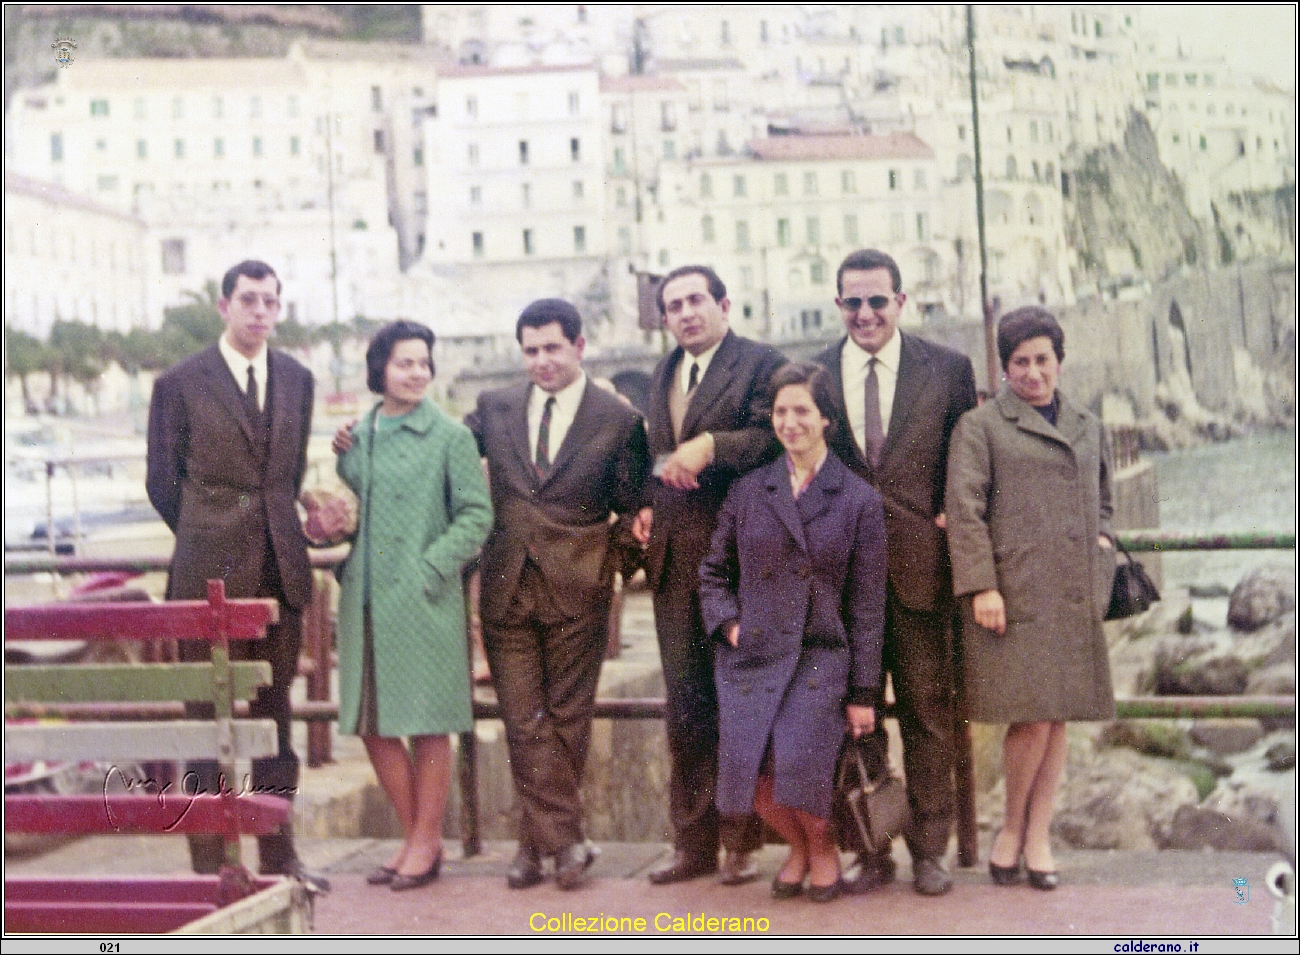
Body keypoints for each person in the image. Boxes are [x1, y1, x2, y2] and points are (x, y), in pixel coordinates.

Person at [146, 259, 323, 886]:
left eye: (270, 302)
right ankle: (211, 866)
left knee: (276, 715)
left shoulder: (298, 379)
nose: (259, 312)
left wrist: (266, 531)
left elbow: (290, 474)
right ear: (224, 306)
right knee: (206, 719)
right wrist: (211, 535)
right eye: (248, 300)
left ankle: (280, 855)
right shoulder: (180, 382)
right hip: (207, 576)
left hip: (281, 571)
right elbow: (163, 484)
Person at [466, 299, 650, 891]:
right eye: (530, 350)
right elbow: (436, 454)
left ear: (579, 346)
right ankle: (565, 842)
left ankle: (533, 847)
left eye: (552, 348)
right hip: (506, 586)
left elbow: (635, 509)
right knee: (523, 719)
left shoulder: (617, 419)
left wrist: (608, 564)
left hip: (580, 591)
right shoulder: (493, 409)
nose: (541, 361)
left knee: (568, 720)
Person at [813, 249, 977, 896]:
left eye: (877, 300)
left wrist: (952, 518)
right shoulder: (815, 376)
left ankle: (929, 849)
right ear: (838, 306)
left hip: (919, 574)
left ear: (901, 302)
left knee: (928, 715)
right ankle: (870, 847)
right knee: (850, 718)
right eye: (852, 301)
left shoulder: (949, 370)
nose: (865, 313)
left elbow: (968, 462)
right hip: (841, 578)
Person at [699, 362, 887, 903]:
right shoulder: (747, 491)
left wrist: (864, 693)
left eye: (801, 410)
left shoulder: (857, 500)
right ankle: (798, 847)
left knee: (801, 764)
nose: (789, 422)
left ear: (826, 418)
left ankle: (820, 847)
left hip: (820, 658)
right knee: (753, 778)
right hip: (753, 655)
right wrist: (731, 626)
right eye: (781, 411)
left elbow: (868, 605)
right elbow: (713, 572)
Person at [944, 306, 1116, 891]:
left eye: (1043, 360)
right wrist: (982, 585)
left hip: (1072, 589)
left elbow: (1106, 502)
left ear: (1059, 362)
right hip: (1015, 593)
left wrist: (1103, 543)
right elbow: (964, 511)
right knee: (1032, 715)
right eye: (1021, 362)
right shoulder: (982, 426)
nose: (1033, 373)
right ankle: (1012, 828)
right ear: (1004, 365)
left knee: (1058, 713)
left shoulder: (1089, 425)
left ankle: (1035, 834)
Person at [631, 265, 787, 886]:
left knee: (743, 709)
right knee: (688, 711)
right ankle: (692, 843)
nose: (687, 313)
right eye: (674, 305)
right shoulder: (665, 370)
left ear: (725, 302)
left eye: (697, 300)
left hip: (740, 562)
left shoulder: (761, 363)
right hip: (674, 564)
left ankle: (743, 843)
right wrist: (646, 504)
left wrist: (712, 446)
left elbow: (777, 438)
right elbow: (656, 451)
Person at [332, 321, 492, 891]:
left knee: (428, 724)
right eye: (405, 363)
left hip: (424, 600)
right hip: (366, 602)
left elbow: (477, 517)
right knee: (371, 722)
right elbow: (349, 502)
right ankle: (417, 836)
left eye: (424, 362)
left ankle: (423, 844)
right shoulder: (360, 436)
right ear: (380, 370)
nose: (417, 372)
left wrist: (430, 568)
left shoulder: (451, 437)